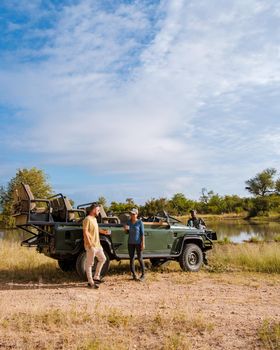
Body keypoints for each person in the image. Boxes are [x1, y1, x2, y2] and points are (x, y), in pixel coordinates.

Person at [83, 202, 111, 289]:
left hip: (98, 245)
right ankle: (90, 282)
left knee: (103, 259)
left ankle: (96, 277)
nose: (99, 212)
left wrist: (104, 232)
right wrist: (90, 244)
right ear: (94, 209)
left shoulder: (94, 219)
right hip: (91, 245)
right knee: (89, 264)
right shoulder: (87, 219)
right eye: (98, 210)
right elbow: (85, 231)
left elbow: (96, 229)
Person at [124, 208, 145, 281]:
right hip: (130, 243)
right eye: (131, 214)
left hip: (138, 243)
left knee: (140, 258)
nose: (132, 215)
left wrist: (143, 243)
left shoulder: (140, 222)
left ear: (137, 214)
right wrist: (125, 230)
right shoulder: (128, 222)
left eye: (133, 214)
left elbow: (142, 234)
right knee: (131, 259)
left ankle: (143, 275)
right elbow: (126, 233)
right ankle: (134, 275)